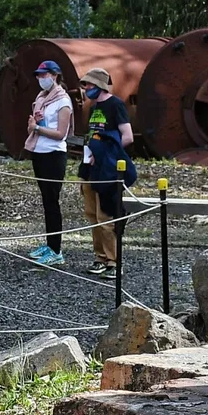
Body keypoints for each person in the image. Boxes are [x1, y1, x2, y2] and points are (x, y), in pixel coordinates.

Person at [77, 67, 135, 275]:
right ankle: (99, 257)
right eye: (84, 85)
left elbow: (127, 136)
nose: (86, 89)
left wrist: (106, 153)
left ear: (99, 85)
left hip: (107, 169)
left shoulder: (115, 105)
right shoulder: (93, 108)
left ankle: (113, 261)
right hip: (89, 167)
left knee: (106, 216)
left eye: (89, 85)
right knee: (91, 214)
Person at [24, 60, 72, 267]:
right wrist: (33, 127)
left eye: (44, 75)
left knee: (52, 202)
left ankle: (56, 250)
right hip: (39, 152)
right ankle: (49, 243)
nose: (40, 79)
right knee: (46, 201)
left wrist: (37, 129)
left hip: (54, 154)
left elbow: (61, 134)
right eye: (38, 75)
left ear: (54, 76)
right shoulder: (41, 98)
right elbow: (34, 127)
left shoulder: (63, 101)